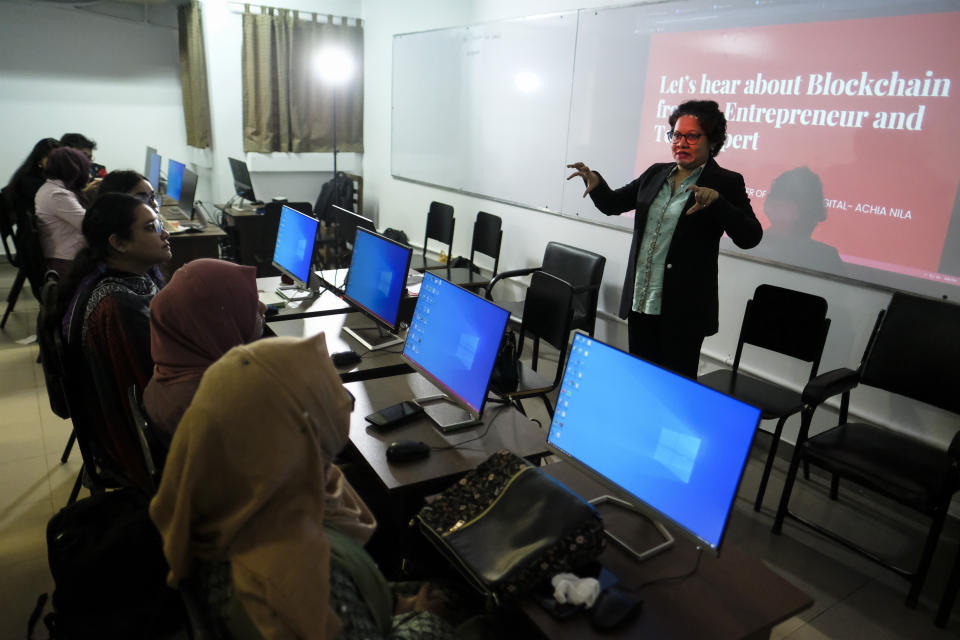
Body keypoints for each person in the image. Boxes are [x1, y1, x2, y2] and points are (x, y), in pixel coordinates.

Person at [150, 335, 472, 640]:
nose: (346, 405)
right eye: (331, 396)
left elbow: (351, 603)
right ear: (294, 432)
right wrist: (427, 618)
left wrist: (398, 603)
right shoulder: (297, 574)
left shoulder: (227, 497)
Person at [567, 99, 762, 378]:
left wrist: (718, 203)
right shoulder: (656, 173)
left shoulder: (726, 182)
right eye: (676, 135)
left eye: (692, 136)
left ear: (713, 141)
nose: (681, 143)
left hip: (684, 310)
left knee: (674, 390)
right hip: (642, 301)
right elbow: (613, 204)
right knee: (642, 382)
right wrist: (596, 183)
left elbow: (750, 237)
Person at [59, 192, 171, 491]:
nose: (164, 234)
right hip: (136, 447)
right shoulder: (120, 305)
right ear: (118, 243)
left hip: (117, 429)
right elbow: (161, 385)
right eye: (150, 228)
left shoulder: (116, 281)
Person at [144, 258, 267, 437]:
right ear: (216, 322)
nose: (263, 307)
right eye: (248, 304)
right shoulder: (224, 405)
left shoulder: (168, 374)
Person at [34, 146, 94, 276]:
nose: (88, 175)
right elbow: (89, 225)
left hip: (63, 257)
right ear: (75, 170)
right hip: (66, 262)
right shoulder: (58, 195)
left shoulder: (49, 188)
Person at [2, 137, 61, 221]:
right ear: (39, 161)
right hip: (40, 230)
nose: (56, 162)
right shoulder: (29, 181)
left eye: (59, 157)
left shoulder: (55, 179)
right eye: (50, 158)